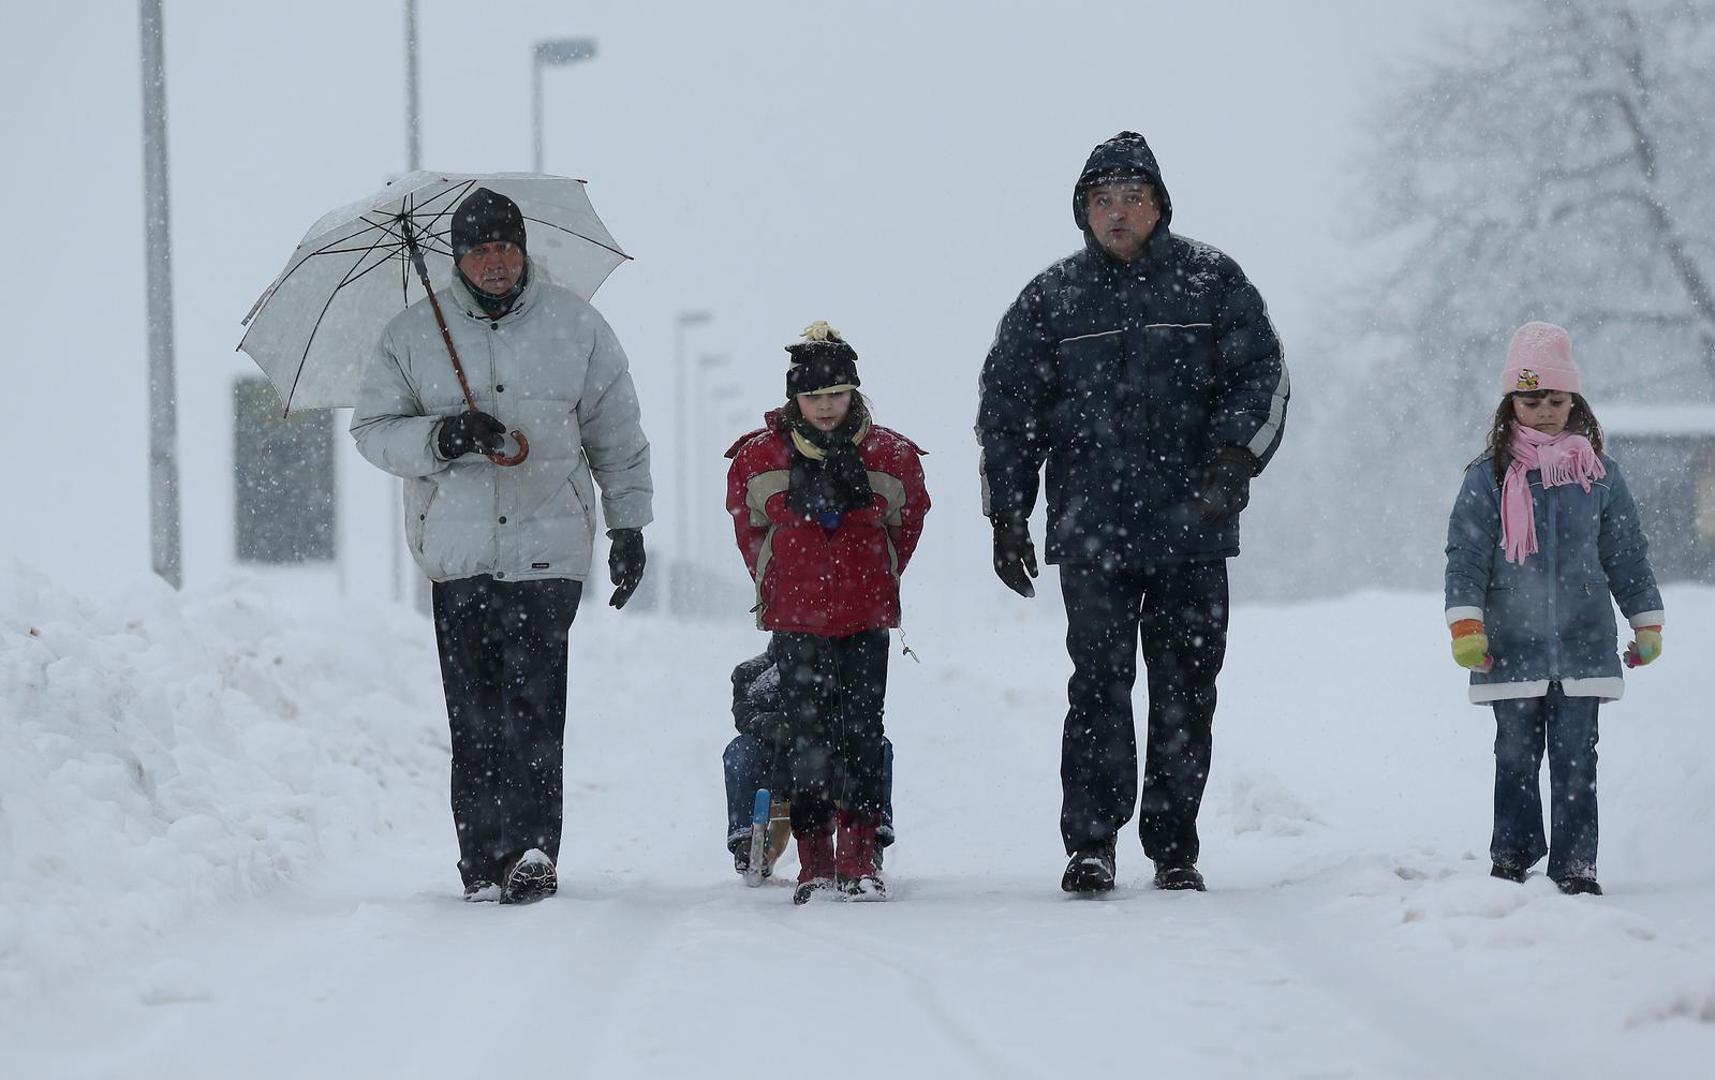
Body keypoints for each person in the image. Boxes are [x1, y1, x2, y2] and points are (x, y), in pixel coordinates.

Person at [975, 131, 1289, 895]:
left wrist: (1231, 460)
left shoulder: (1213, 283)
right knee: (1098, 687)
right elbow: (1007, 410)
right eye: (1101, 200)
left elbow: (1262, 378)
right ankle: (1091, 842)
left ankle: (1173, 843)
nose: (1116, 214)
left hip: (1192, 526)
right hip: (1091, 531)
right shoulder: (1049, 300)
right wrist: (1008, 515)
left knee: (1186, 687)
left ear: (1160, 206)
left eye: (1131, 198)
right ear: (1082, 211)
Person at [350, 187, 653, 904]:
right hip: (458, 555)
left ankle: (529, 850)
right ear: (457, 257)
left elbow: (617, 433)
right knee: (475, 714)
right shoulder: (410, 334)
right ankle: (482, 856)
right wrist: (443, 436)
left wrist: (628, 525)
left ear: (525, 251)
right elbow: (372, 432)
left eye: (506, 247)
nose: (495, 262)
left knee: (533, 709)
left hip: (550, 549)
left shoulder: (577, 328)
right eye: (481, 249)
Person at [1444, 321, 1663, 897]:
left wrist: (1645, 621)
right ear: (1511, 403)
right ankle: (1512, 857)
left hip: (1584, 641)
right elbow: (1466, 555)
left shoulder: (1600, 477)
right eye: (1531, 398)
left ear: (1574, 402)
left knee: (1576, 761)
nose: (1544, 411)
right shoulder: (1486, 478)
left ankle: (1576, 866)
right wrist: (1467, 623)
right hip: (1509, 645)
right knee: (1514, 755)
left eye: (1556, 399)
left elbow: (1626, 555)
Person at [725, 322, 929, 903]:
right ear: (794, 397)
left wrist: (877, 573)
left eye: (835, 395)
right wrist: (778, 578)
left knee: (863, 733)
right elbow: (750, 527)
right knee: (806, 735)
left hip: (865, 617)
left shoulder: (890, 455)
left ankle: (859, 857)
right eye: (812, 397)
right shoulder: (759, 457)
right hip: (796, 620)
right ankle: (814, 861)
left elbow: (906, 524)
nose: (824, 407)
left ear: (854, 392)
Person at [722, 641, 895, 878]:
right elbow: (745, 716)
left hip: (826, 759)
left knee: (878, 746)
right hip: (775, 760)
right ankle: (744, 839)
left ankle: (873, 838)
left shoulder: (831, 668)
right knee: (739, 751)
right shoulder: (750, 672)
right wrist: (782, 728)